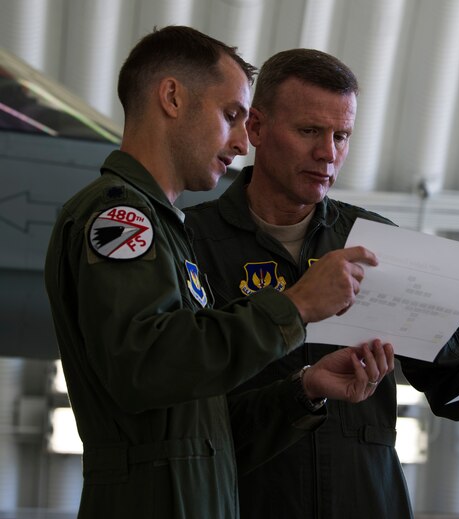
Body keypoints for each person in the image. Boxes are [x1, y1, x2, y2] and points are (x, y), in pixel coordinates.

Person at [184, 48, 459, 519]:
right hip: (243, 501)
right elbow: (177, 402)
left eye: (341, 135)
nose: (328, 153)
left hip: (367, 500)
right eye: (309, 130)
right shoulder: (192, 243)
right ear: (257, 129)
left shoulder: (374, 243)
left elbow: (453, 368)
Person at [44, 28, 394, 519]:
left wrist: (305, 389)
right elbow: (146, 367)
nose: (240, 141)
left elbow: (204, 430)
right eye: (230, 115)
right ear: (172, 98)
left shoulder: (166, 229)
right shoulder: (121, 218)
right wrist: (294, 306)